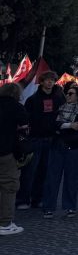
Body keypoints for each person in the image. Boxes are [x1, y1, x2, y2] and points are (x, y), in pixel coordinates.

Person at [16, 70, 65, 209]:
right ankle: (23, 199)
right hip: (35, 139)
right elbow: (26, 119)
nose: (50, 82)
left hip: (51, 139)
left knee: (45, 171)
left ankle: (38, 198)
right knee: (30, 171)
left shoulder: (59, 99)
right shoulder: (33, 99)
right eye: (47, 80)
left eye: (52, 80)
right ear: (42, 82)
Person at [41, 85, 78, 218]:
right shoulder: (60, 109)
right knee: (52, 178)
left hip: (74, 147)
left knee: (71, 178)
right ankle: (48, 207)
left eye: (71, 93)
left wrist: (62, 131)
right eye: (67, 93)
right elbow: (52, 125)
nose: (68, 96)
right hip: (58, 146)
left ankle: (69, 206)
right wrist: (68, 126)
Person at [0, 82, 30, 235]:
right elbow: (24, 128)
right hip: (7, 152)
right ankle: (5, 223)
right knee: (9, 186)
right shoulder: (17, 107)